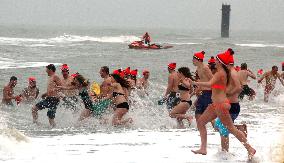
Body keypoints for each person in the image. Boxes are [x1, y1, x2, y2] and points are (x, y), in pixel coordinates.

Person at [189, 52, 256, 158]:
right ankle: (203, 148)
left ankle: (250, 148)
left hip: (221, 104)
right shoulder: (223, 73)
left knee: (231, 128)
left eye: (216, 60)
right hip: (216, 104)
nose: (214, 61)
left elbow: (210, 84)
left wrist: (195, 83)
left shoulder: (221, 73)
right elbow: (215, 85)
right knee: (201, 122)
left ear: (220, 62)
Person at [214, 49, 247, 152]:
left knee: (222, 127)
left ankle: (225, 152)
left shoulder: (232, 73)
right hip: (231, 105)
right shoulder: (231, 73)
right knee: (218, 126)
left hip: (232, 105)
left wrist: (227, 94)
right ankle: (240, 128)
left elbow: (239, 87)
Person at [192, 51, 213, 122]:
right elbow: (203, 80)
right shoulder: (198, 69)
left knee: (209, 115)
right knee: (197, 113)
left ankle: (217, 129)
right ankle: (200, 130)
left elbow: (212, 80)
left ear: (197, 60)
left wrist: (196, 83)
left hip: (209, 93)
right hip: (203, 93)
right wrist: (196, 90)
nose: (192, 61)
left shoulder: (205, 68)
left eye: (193, 59)